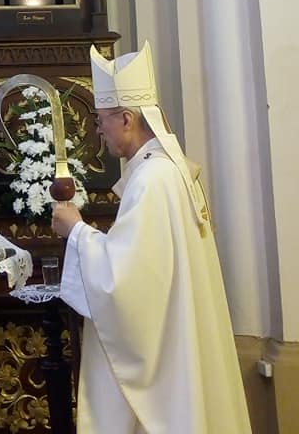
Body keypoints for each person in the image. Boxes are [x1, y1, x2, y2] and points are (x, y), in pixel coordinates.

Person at [51, 42, 251, 433]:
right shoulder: (165, 169)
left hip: (166, 350)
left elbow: (125, 280)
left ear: (126, 118)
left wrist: (76, 230)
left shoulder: (153, 178)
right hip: (176, 339)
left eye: (102, 120)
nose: (98, 131)